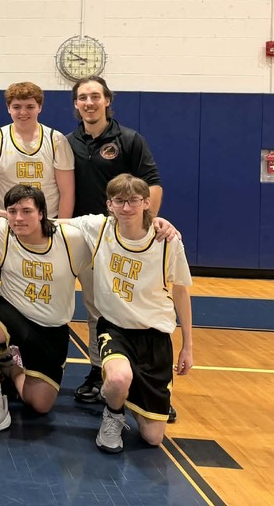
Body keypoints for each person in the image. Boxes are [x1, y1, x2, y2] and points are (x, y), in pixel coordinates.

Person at [65, 174, 192, 453]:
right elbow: (49, 222)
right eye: (119, 201)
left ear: (146, 202)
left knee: (153, 437)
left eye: (133, 200)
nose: (126, 207)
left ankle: (127, 393)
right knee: (118, 379)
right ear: (109, 204)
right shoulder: (99, 228)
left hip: (155, 337)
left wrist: (187, 346)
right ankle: (113, 413)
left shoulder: (167, 241)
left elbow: (181, 293)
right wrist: (1, 213)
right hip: (115, 329)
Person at [0, 185, 91, 442]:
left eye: (26, 211)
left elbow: (113, 228)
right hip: (11, 310)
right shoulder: (0, 230)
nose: (18, 218)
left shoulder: (71, 240)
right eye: (12, 211)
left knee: (39, 404)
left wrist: (156, 223)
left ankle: (9, 366)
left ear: (42, 213)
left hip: (50, 327)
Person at [67, 76, 164, 410]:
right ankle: (99, 371)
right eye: (83, 97)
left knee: (134, 308)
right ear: (76, 104)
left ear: (107, 100)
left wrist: (141, 231)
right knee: (95, 308)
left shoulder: (129, 140)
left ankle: (149, 382)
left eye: (95, 96)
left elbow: (152, 185)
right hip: (87, 237)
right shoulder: (68, 143)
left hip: (124, 240)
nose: (89, 103)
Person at [0, 82, 74, 219]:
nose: (23, 112)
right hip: (5, 220)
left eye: (30, 107)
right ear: (8, 108)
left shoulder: (56, 140)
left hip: (46, 221)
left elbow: (67, 192)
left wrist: (60, 226)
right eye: (16, 107)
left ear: (39, 107)